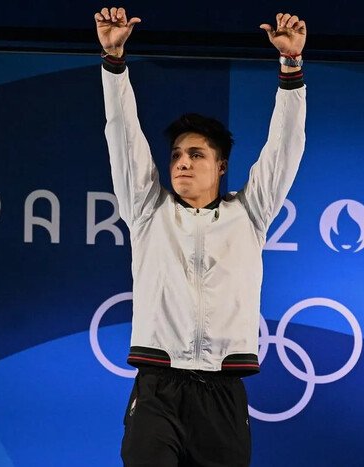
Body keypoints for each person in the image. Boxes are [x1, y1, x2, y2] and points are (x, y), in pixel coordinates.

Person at [95, 7, 306, 466]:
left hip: (223, 392)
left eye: (196, 154)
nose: (183, 162)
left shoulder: (248, 213)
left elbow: (284, 149)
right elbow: (123, 138)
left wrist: (291, 68)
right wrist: (113, 59)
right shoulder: (148, 211)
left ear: (222, 166)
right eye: (176, 155)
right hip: (158, 389)